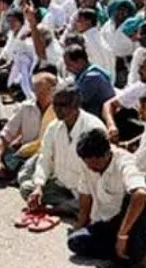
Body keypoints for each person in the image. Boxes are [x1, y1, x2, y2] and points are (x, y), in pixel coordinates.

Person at [67, 128, 146, 267]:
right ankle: (135, 249)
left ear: (106, 153)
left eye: (95, 163)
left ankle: (132, 250)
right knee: (75, 241)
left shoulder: (125, 162)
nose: (91, 167)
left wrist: (122, 236)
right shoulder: (88, 162)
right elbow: (85, 194)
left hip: (131, 221)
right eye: (88, 163)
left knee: (131, 198)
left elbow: (140, 194)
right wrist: (81, 223)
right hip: (106, 221)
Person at [21, 83, 106, 215]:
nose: (57, 109)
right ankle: (66, 207)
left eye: (63, 105)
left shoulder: (93, 128)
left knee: (95, 205)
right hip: (61, 186)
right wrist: (39, 187)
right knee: (28, 188)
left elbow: (100, 172)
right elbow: (45, 158)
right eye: (55, 104)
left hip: (87, 190)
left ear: (77, 104)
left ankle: (65, 208)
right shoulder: (54, 127)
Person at [0, 72, 57, 179]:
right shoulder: (26, 107)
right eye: (35, 90)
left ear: (53, 90)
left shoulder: (61, 110)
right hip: (27, 153)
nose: (38, 94)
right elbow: (7, 133)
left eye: (42, 91)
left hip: (51, 156)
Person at [63, 45, 115, 119]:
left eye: (69, 65)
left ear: (80, 62)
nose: (67, 69)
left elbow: (77, 101)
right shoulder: (82, 75)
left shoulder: (92, 77)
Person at [75, 8, 116, 81]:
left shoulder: (84, 39)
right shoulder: (102, 38)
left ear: (88, 22)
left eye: (79, 21)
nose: (76, 24)